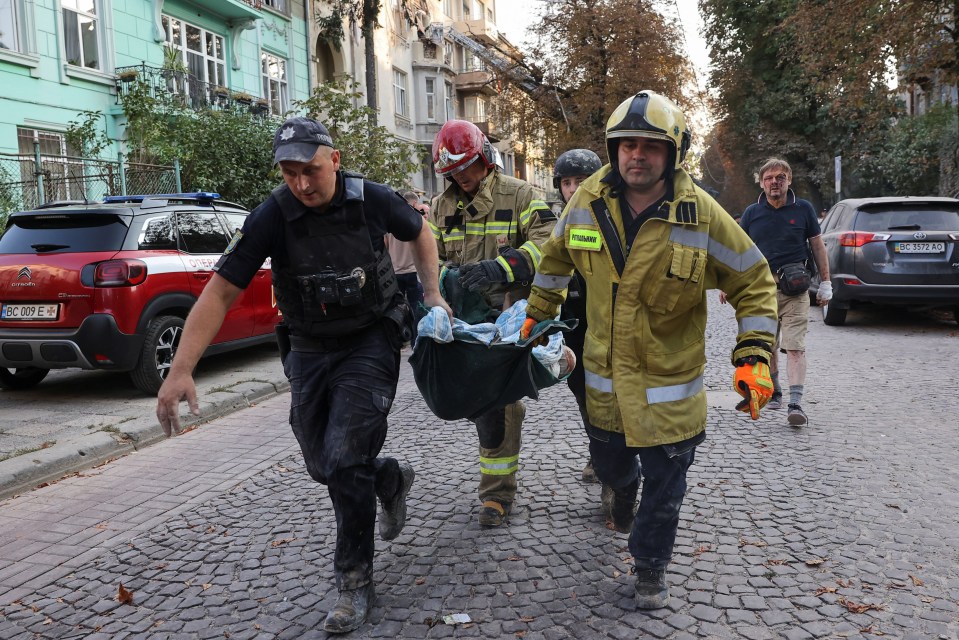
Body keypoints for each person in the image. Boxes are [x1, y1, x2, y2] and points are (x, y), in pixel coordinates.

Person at [155, 116, 452, 634]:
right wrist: (180, 370)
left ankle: (354, 583)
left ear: (333, 159)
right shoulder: (273, 214)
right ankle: (388, 478)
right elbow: (221, 290)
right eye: (289, 173)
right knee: (323, 463)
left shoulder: (371, 199)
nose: (301, 183)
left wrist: (431, 295)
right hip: (310, 346)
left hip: (369, 339)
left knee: (342, 457)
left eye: (310, 169)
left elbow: (421, 232)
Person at [520, 91, 779, 609]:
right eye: (627, 145)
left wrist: (753, 355)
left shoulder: (700, 216)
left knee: (666, 489)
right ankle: (622, 483)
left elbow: (755, 280)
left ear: (673, 152)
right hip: (604, 386)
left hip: (670, 390)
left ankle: (650, 569)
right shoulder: (585, 203)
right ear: (614, 150)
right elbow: (554, 261)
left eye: (651, 146)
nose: (637, 155)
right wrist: (536, 314)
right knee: (611, 467)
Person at [427, 119, 557, 527]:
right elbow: (429, 254)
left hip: (506, 321)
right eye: (452, 172)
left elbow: (550, 241)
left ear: (484, 158)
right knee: (473, 404)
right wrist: (440, 282)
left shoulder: (519, 194)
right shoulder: (441, 205)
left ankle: (496, 496)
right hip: (463, 324)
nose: (461, 178)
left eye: (466, 168)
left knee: (501, 407)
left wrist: (502, 268)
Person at [735, 158, 832, 426]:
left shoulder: (804, 209)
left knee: (796, 347)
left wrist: (826, 282)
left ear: (789, 180)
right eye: (769, 178)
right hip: (761, 291)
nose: (774, 182)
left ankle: (795, 404)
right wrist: (727, 283)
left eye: (780, 177)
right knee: (768, 345)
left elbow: (818, 246)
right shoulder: (752, 213)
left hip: (795, 290)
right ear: (762, 183)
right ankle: (775, 392)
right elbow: (739, 251)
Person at [551, 149, 603, 485]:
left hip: (607, 323)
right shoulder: (557, 223)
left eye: (580, 181)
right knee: (582, 391)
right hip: (573, 324)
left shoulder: (608, 218)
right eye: (567, 183)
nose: (572, 188)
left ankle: (612, 460)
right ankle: (598, 454)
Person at [384, 191, 428, 341]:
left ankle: (399, 339)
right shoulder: (416, 220)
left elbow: (385, 247)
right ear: (414, 204)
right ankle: (417, 342)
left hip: (395, 272)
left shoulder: (389, 221)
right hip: (413, 271)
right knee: (417, 309)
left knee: (397, 310)